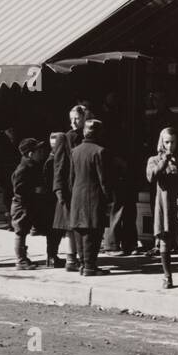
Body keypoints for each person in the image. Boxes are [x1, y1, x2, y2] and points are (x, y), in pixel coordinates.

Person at [147, 127, 178, 289]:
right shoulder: (154, 160)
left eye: (173, 142)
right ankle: (167, 277)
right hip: (164, 205)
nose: (170, 146)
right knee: (164, 241)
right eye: (167, 142)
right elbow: (151, 177)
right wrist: (164, 161)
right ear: (161, 142)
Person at [69, 119, 112, 277]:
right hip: (94, 197)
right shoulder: (100, 151)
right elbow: (104, 180)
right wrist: (109, 199)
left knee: (80, 231)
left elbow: (71, 178)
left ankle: (83, 265)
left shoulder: (75, 151)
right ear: (99, 133)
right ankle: (90, 266)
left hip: (77, 196)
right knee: (93, 232)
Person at [53, 105, 88, 270]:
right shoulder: (64, 138)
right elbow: (58, 165)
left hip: (83, 186)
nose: (74, 122)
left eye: (77, 118)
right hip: (69, 187)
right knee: (69, 225)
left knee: (80, 224)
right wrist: (58, 188)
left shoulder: (87, 137)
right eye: (72, 119)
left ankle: (80, 258)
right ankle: (71, 260)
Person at [9, 138, 47, 270]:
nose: (41, 153)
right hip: (22, 206)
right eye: (38, 151)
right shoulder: (24, 168)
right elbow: (18, 189)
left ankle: (23, 258)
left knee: (23, 231)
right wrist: (35, 190)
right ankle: (20, 260)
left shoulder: (31, 166)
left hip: (26, 205)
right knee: (20, 232)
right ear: (30, 154)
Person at [44, 133, 70, 268]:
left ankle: (52, 256)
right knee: (55, 231)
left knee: (56, 231)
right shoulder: (52, 160)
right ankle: (52, 256)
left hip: (53, 199)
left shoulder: (52, 158)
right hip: (53, 200)